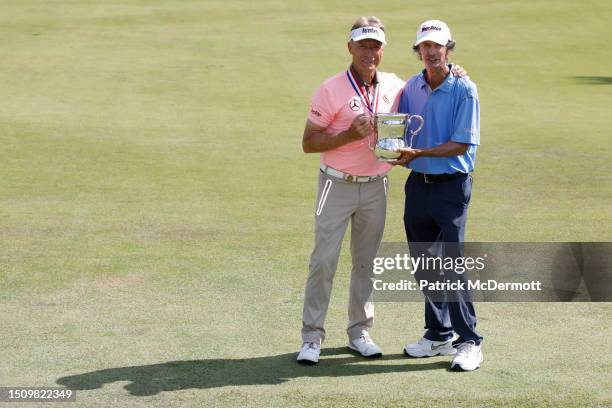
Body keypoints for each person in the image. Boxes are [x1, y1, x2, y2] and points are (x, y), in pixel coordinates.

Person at [297, 16, 405, 365]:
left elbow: (428, 91)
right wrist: (347, 136)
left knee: (366, 262)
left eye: (375, 46)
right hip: (336, 184)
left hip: (376, 186)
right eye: (363, 45)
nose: (369, 52)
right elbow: (308, 142)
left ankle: (359, 332)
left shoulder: (395, 86)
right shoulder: (331, 89)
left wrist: (455, 72)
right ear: (350, 48)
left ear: (382, 50)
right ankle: (312, 337)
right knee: (323, 261)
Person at [392, 20, 483, 371]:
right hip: (417, 185)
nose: (431, 51)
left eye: (438, 46)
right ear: (418, 50)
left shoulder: (464, 88)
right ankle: (438, 333)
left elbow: (462, 143)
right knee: (424, 264)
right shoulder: (411, 86)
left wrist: (418, 154)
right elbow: (396, 125)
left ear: (448, 49)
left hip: (451, 186)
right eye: (425, 46)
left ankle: (470, 341)